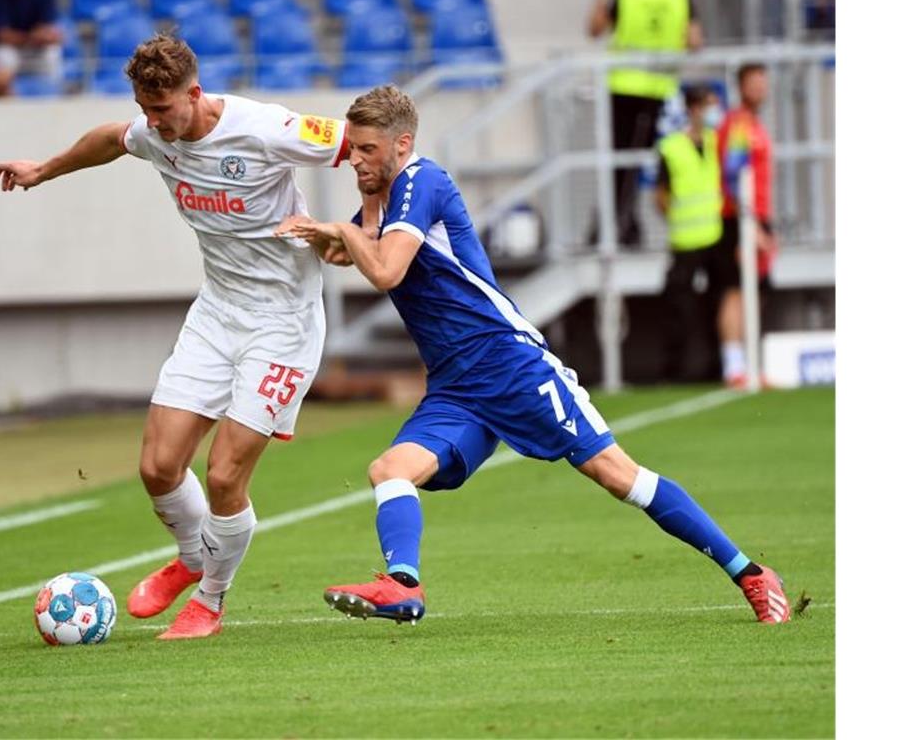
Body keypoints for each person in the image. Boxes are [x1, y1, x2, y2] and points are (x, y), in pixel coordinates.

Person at [277, 85, 790, 626]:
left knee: (620, 477)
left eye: (366, 150)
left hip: (509, 363)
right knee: (390, 469)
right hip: (457, 385)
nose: (353, 160)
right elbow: (347, 249)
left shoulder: (421, 181)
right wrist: (305, 235)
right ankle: (403, 585)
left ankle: (751, 573)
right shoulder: (381, 197)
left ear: (402, 144)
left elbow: (383, 270)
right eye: (351, 149)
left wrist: (339, 233)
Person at [0, 34, 349, 639]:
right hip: (216, 313)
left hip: (283, 323)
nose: (152, 123)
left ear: (195, 93)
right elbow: (110, 138)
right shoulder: (153, 132)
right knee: (158, 467)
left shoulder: (264, 128)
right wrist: (44, 170)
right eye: (145, 109)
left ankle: (209, 600)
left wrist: (358, 230)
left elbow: (359, 147)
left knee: (224, 476)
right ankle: (190, 557)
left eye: (162, 110)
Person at [587, 0, 703, 248]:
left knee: (623, 167)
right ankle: (621, 227)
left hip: (625, 88)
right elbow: (695, 40)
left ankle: (617, 228)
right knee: (636, 165)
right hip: (661, 90)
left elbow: (595, 28)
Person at [655, 85, 728, 381]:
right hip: (684, 240)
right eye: (710, 105)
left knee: (717, 305)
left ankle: (718, 367)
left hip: (715, 236)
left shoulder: (718, 142)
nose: (715, 112)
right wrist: (674, 217)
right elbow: (661, 194)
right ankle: (675, 371)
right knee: (678, 309)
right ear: (694, 109)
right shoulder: (671, 147)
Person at [717, 63, 776, 387]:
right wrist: (748, 224)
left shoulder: (753, 123)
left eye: (762, 83)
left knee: (756, 291)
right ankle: (734, 366)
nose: (759, 89)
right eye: (754, 83)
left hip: (756, 215)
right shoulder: (739, 124)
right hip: (740, 217)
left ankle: (749, 364)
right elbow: (732, 174)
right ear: (741, 87)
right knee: (737, 291)